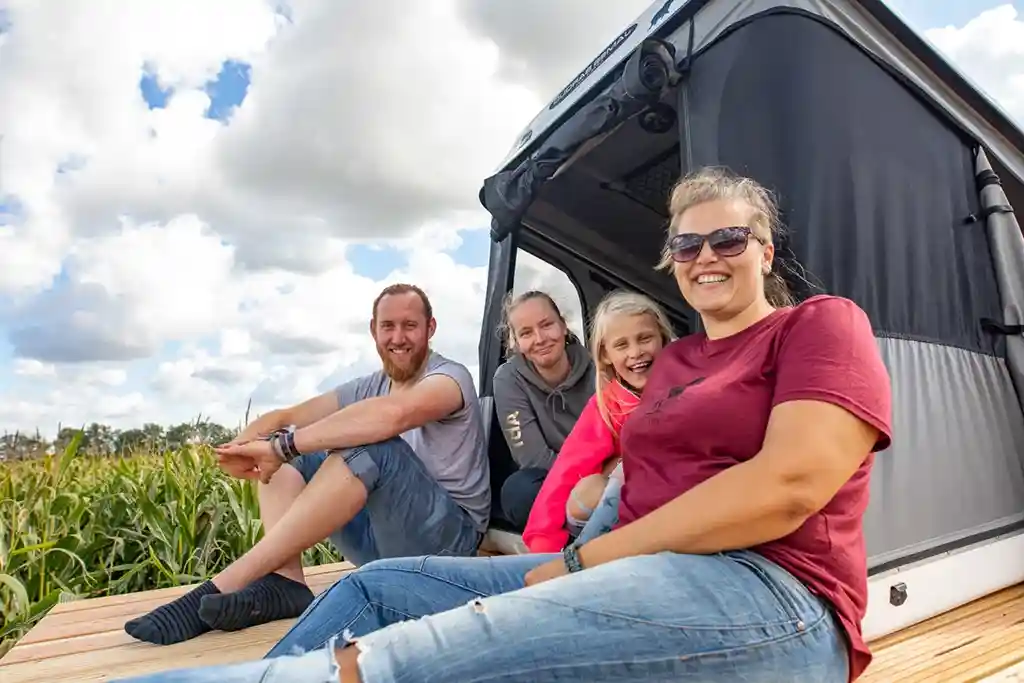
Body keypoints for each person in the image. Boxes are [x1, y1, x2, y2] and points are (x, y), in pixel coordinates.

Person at [113, 166, 892, 683]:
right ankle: (277, 603)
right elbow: (632, 477)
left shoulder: (819, 325)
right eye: (687, 242)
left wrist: (581, 563)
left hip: (772, 595)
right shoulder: (678, 361)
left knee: (397, 659)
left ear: (764, 249)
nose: (706, 254)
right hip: (624, 562)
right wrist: (589, 510)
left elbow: (788, 484)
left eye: (728, 238)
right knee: (380, 591)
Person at [122, 283, 490, 646]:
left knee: (368, 446)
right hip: (381, 541)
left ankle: (228, 581)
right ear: (373, 331)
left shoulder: (449, 378)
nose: (398, 337)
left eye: (410, 326)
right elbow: (286, 416)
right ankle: (288, 582)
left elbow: (392, 416)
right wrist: (245, 448)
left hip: (449, 548)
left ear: (431, 329)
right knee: (288, 448)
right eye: (387, 326)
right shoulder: (370, 384)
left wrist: (284, 446)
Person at [522, 289, 675, 553]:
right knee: (592, 486)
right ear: (605, 355)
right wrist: (543, 544)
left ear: (663, 338)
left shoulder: (686, 390)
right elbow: (566, 472)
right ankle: (579, 561)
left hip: (674, 507)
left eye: (645, 338)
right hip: (617, 512)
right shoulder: (607, 406)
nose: (636, 352)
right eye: (622, 345)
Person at [492, 290, 595, 529]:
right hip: (556, 479)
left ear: (563, 326)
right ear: (516, 343)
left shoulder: (597, 364)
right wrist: (584, 490)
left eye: (546, 325)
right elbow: (532, 458)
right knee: (520, 491)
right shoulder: (508, 378)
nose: (539, 339)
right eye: (526, 333)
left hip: (603, 472)